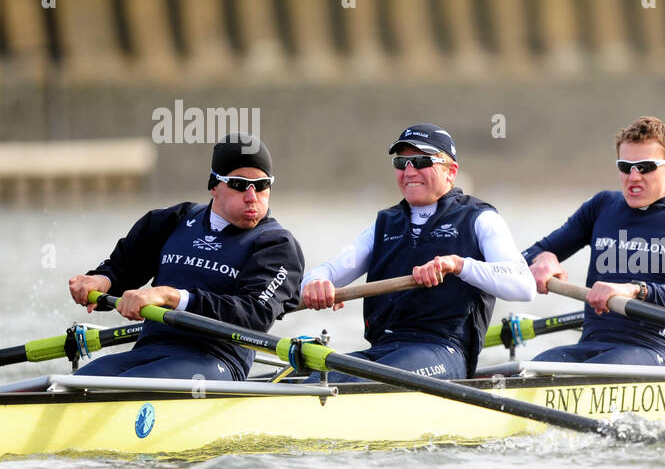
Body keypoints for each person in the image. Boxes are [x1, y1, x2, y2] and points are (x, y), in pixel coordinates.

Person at [298, 123, 534, 380]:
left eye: (421, 161)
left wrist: (457, 265)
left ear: (451, 171)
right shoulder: (385, 224)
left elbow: (523, 285)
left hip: (443, 350)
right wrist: (316, 283)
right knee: (315, 380)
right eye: (402, 163)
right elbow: (328, 271)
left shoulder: (480, 220)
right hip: (383, 349)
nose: (409, 170)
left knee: (358, 381)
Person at [67, 133, 305, 380]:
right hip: (149, 350)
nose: (252, 197)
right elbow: (123, 267)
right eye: (239, 184)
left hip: (215, 361)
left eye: (262, 185)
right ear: (214, 185)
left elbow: (254, 315)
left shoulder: (276, 246)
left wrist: (172, 297)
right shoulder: (172, 221)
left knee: (123, 386)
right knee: (70, 386)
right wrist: (102, 280)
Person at [523, 116, 665, 365]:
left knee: (592, 372)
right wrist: (544, 257)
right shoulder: (602, 206)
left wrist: (633, 289)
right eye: (626, 167)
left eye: (646, 167)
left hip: (650, 350)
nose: (633, 177)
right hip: (591, 344)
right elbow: (522, 258)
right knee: (532, 368)